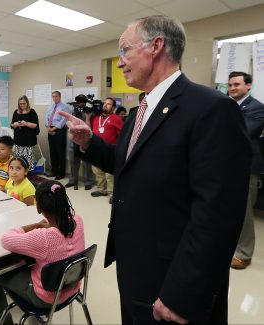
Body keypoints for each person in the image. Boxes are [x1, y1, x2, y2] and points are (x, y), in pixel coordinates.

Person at [61, 15, 251, 325]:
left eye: (125, 50)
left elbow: (218, 213)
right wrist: (89, 143)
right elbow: (128, 166)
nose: (120, 62)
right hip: (136, 261)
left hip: (174, 279)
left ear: (156, 46)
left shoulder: (211, 108)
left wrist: (181, 293)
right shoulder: (140, 112)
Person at [0, 180, 85, 310]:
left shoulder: (42, 237)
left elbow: (5, 239)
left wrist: (36, 225)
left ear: (38, 208)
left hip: (46, 299)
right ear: (63, 201)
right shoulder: (78, 220)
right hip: (72, 285)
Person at [227, 71, 264, 270]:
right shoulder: (226, 105)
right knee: (227, 208)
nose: (232, 88)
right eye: (230, 85)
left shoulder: (257, 108)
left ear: (248, 86)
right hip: (225, 165)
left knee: (244, 211)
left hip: (246, 166)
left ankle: (244, 254)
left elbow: (244, 133)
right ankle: (230, 245)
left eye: (237, 85)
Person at [88, 97, 123, 203]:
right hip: (97, 148)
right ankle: (101, 189)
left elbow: (122, 134)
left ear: (113, 107)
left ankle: (112, 193)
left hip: (110, 149)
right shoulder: (96, 117)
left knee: (109, 174)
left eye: (108, 104)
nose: (105, 105)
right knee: (98, 171)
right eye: (104, 103)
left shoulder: (116, 118)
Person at [65, 95, 95, 191]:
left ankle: (89, 181)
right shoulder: (74, 111)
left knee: (87, 162)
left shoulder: (90, 112)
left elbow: (90, 126)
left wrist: (85, 115)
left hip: (85, 140)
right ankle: (73, 180)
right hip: (73, 141)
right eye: (78, 102)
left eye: (81, 102)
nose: (79, 104)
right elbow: (68, 124)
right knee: (73, 161)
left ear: (85, 102)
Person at [45, 91, 71, 180]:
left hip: (59, 130)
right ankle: (54, 171)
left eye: (56, 96)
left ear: (60, 96)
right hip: (50, 130)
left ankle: (61, 173)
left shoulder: (64, 107)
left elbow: (64, 120)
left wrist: (54, 129)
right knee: (52, 152)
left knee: (60, 152)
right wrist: (48, 128)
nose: (54, 98)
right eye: (53, 96)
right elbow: (46, 118)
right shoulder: (50, 107)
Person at [11, 96, 40, 171]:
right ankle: (19, 174)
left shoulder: (32, 111)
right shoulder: (16, 112)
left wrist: (26, 123)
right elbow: (12, 124)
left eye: (24, 103)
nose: (22, 105)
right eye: (20, 104)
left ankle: (28, 175)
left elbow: (35, 125)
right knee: (18, 159)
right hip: (18, 139)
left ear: (27, 103)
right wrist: (15, 124)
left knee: (28, 159)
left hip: (29, 140)